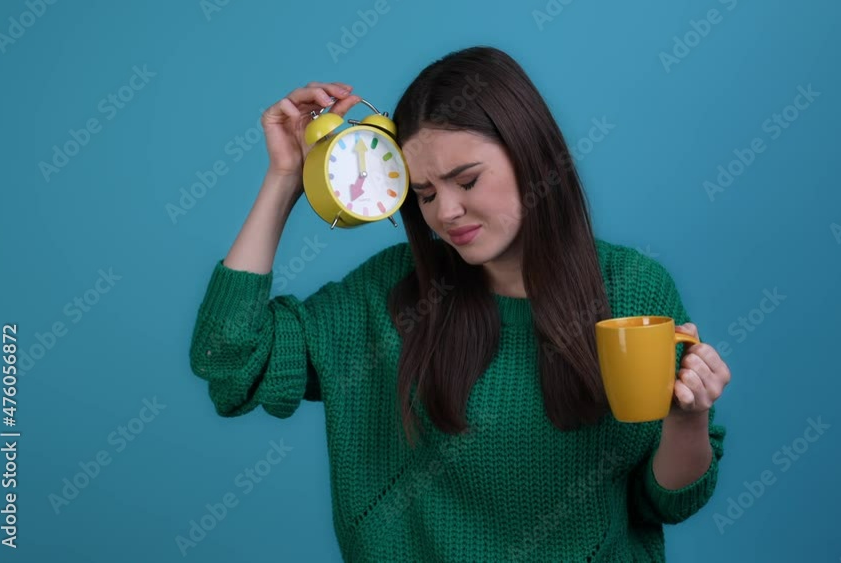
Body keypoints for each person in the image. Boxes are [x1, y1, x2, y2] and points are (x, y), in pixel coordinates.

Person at [188, 45, 731, 562]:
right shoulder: (391, 296)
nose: (445, 211)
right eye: (423, 194)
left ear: (531, 155)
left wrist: (690, 417)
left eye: (465, 180)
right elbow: (230, 360)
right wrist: (285, 180)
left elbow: (668, 501)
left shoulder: (634, 290)